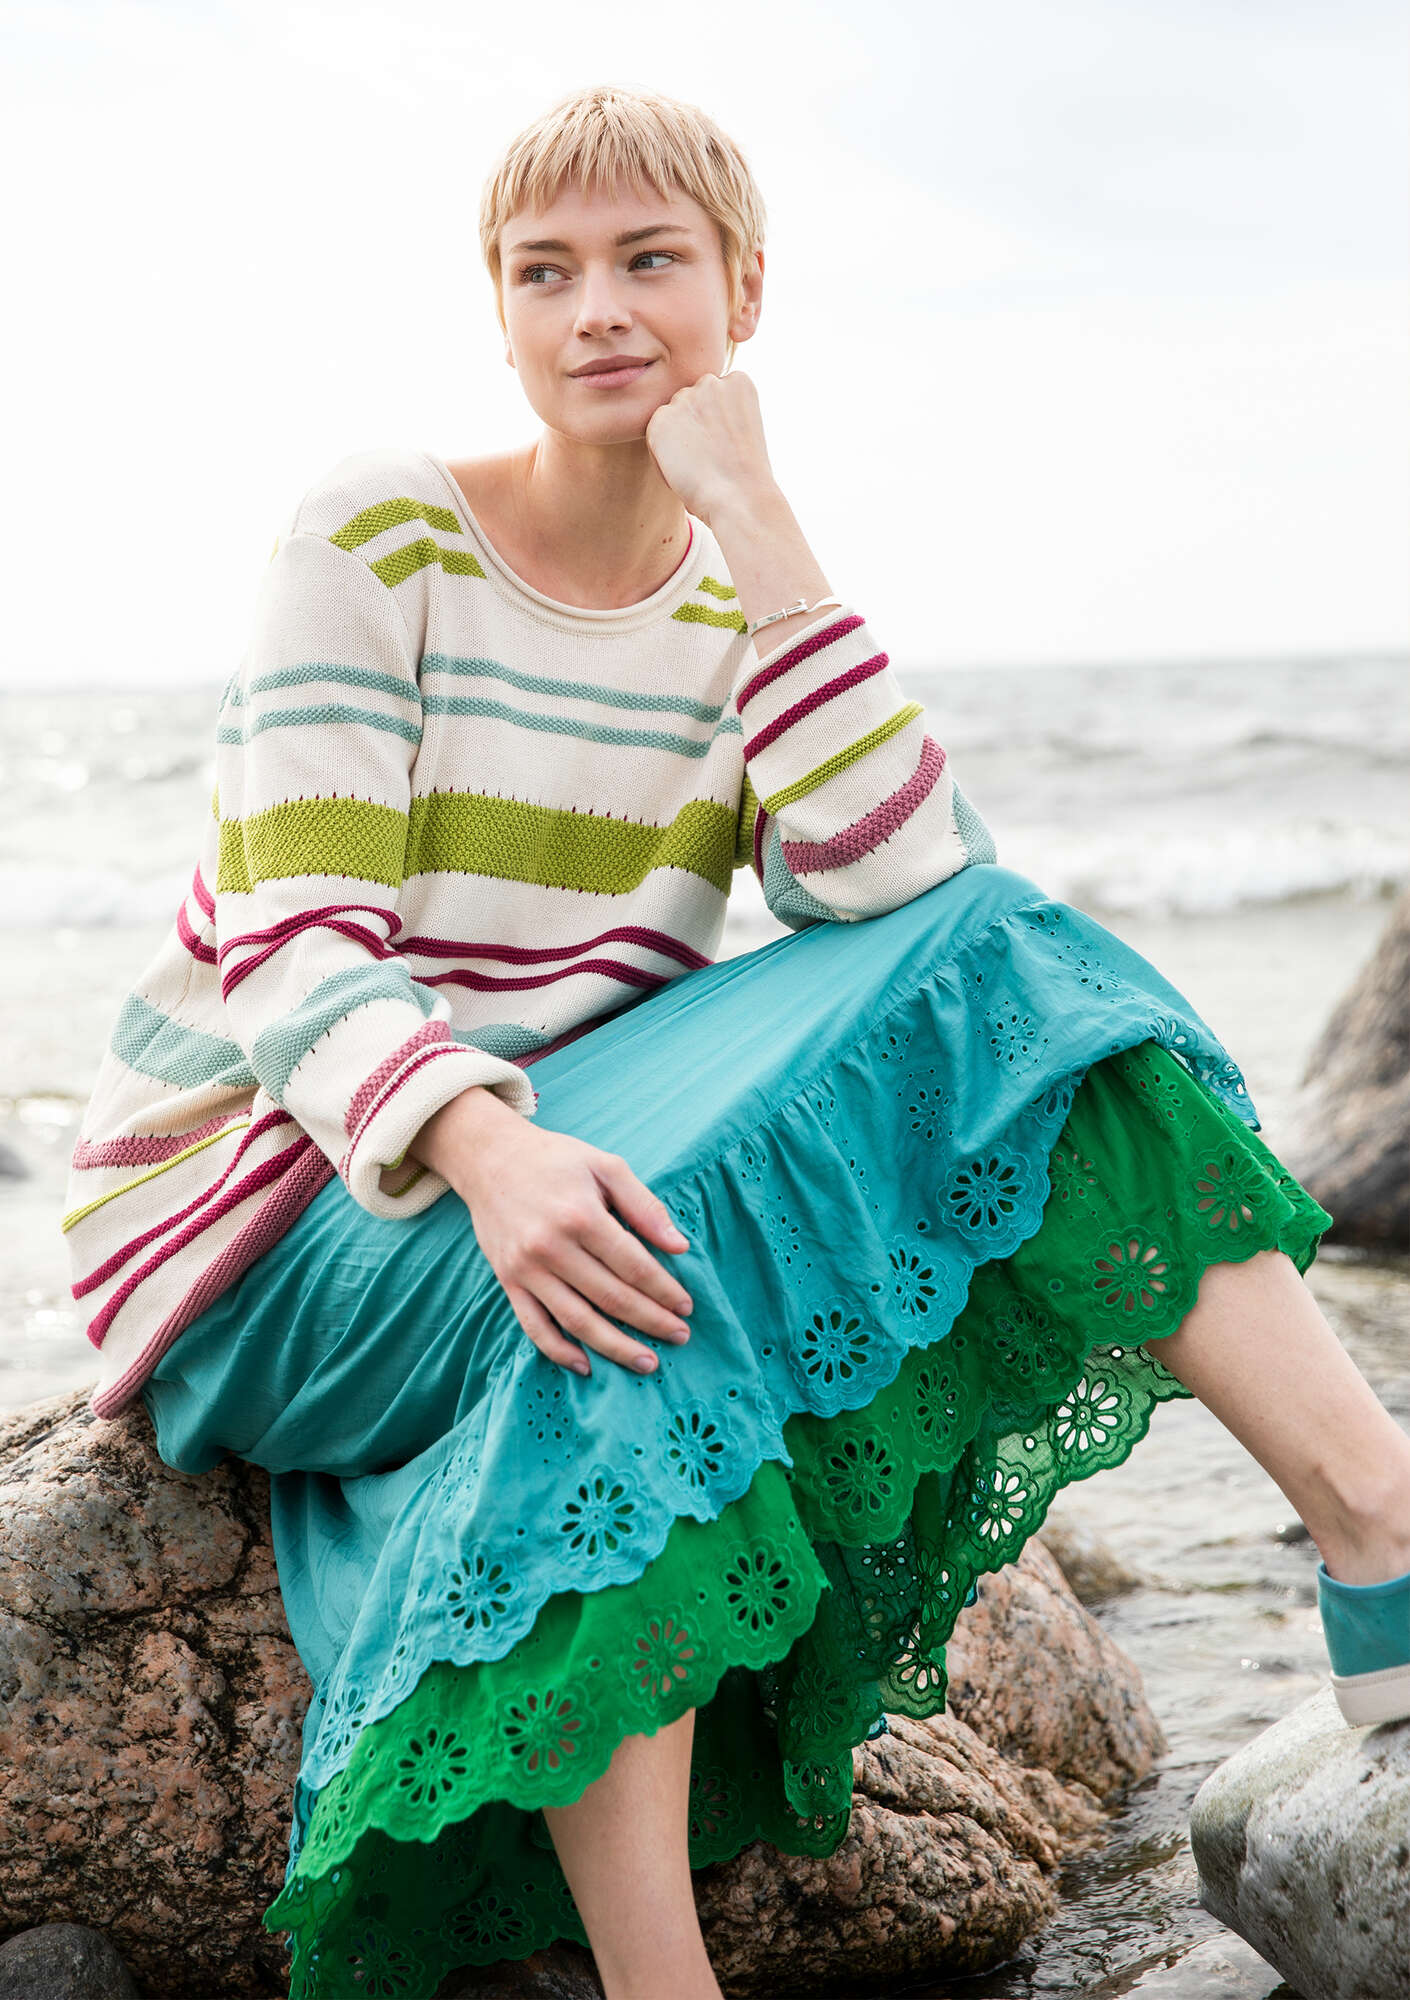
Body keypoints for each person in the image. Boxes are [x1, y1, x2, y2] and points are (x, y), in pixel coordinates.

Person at [63, 80, 1410, 2000]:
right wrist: (487, 1152)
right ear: (499, 312)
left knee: (1008, 975)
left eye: (648, 261)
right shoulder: (376, 529)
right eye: (546, 273)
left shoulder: (729, 592)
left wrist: (762, 524)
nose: (598, 309)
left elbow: (905, 887)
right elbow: (293, 944)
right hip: (270, 1203)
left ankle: (1376, 1525)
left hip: (563, 1126)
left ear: (743, 293)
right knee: (631, 1260)